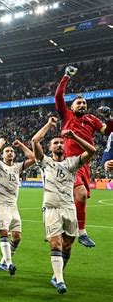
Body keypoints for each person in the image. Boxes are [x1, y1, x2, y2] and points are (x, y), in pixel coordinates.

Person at [31, 116, 96, 294]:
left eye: (61, 142)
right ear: (50, 147)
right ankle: (59, 280)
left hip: (69, 209)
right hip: (51, 209)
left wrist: (74, 137)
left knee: (67, 245)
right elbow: (35, 141)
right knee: (56, 244)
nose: (59, 145)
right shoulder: (45, 162)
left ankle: (57, 275)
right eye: (56, 143)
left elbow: (91, 151)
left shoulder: (72, 163)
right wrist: (49, 125)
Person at [54, 66, 110, 247]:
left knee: (78, 197)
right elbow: (58, 97)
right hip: (68, 163)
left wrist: (109, 117)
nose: (82, 105)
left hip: (84, 163)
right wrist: (66, 77)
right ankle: (82, 232)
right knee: (81, 194)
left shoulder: (92, 119)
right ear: (71, 106)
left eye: (84, 103)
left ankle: (61, 225)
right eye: (79, 103)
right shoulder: (67, 115)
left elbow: (109, 131)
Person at [0, 137, 35, 275]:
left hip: (13, 205)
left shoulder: (17, 167)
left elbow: (33, 158)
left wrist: (21, 145)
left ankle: (2, 263)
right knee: (3, 232)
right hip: (0, 204)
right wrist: (1, 143)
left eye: (11, 151)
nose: (9, 153)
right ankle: (9, 264)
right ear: (3, 155)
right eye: (7, 151)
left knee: (17, 236)